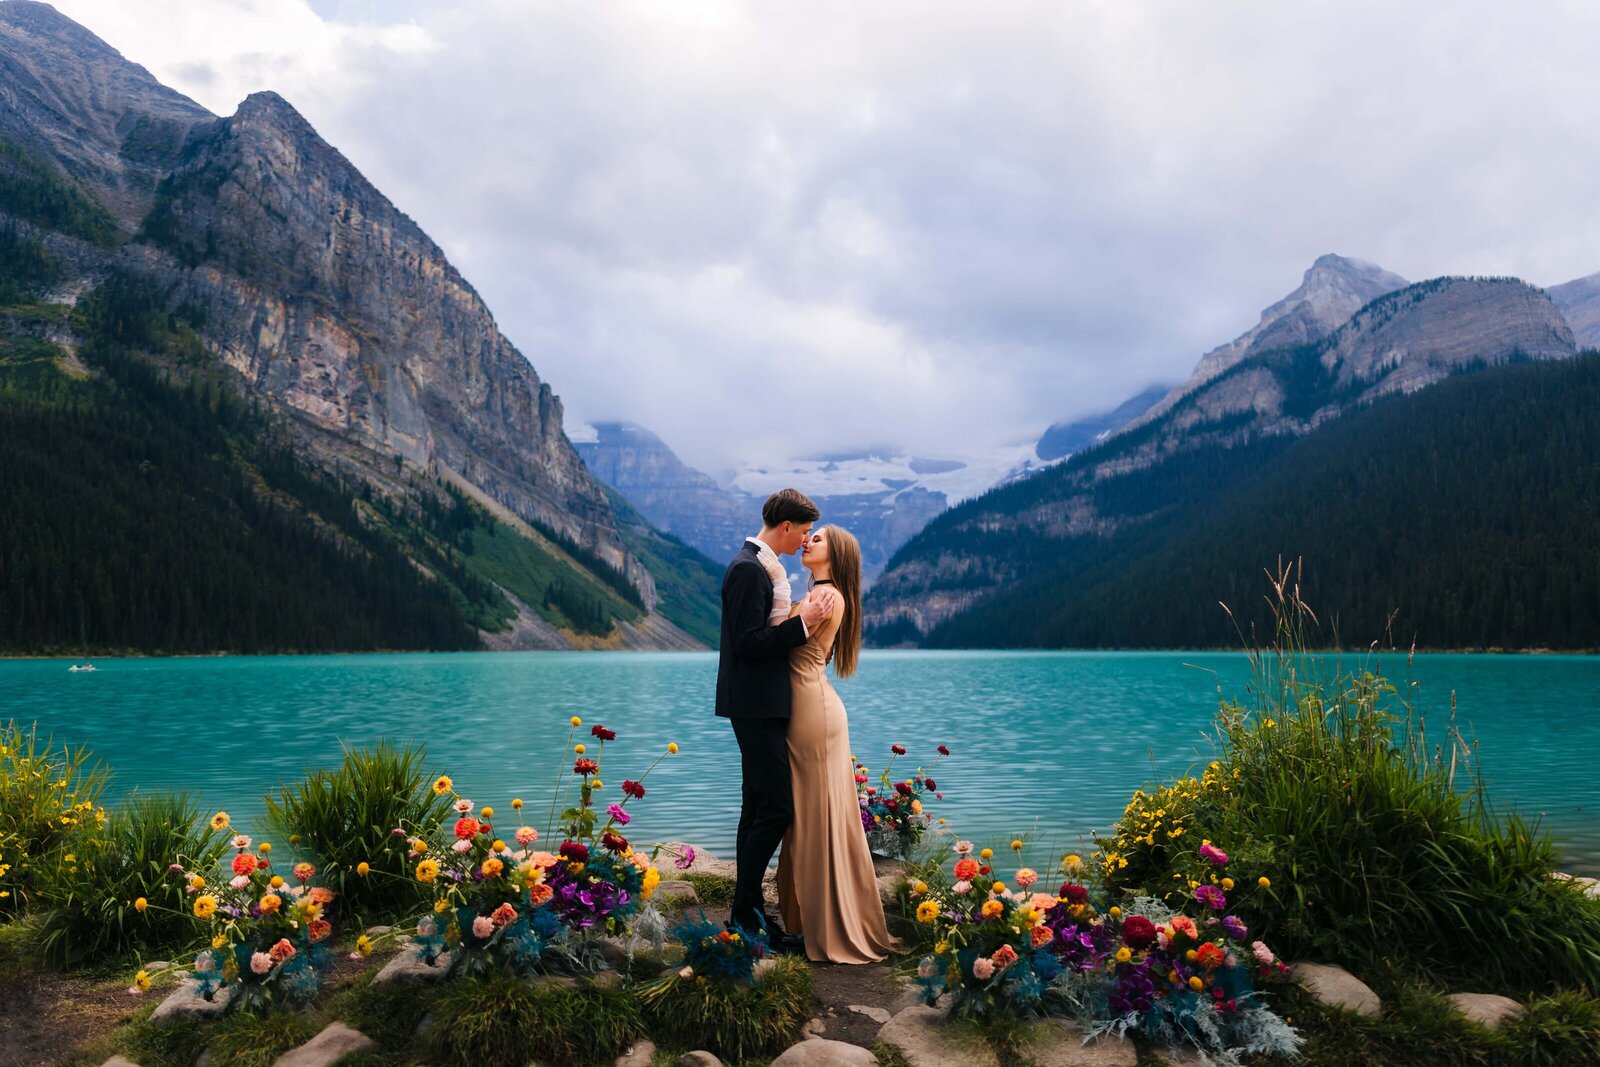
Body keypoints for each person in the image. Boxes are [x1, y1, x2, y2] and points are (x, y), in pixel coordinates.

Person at [715, 488, 836, 947]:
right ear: (785, 526)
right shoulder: (749, 571)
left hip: (758, 704)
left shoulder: (758, 566)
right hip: (754, 705)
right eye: (804, 531)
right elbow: (748, 644)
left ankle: (745, 916)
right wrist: (803, 626)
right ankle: (746, 913)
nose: (804, 540)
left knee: (756, 808)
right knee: (777, 809)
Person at [775, 525, 897, 963]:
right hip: (810, 705)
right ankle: (813, 921)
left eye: (819, 539)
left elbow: (781, 647)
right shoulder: (821, 593)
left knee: (813, 814)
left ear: (837, 555)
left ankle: (824, 927)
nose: (808, 542)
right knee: (810, 812)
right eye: (809, 536)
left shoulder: (825, 597)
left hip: (811, 710)